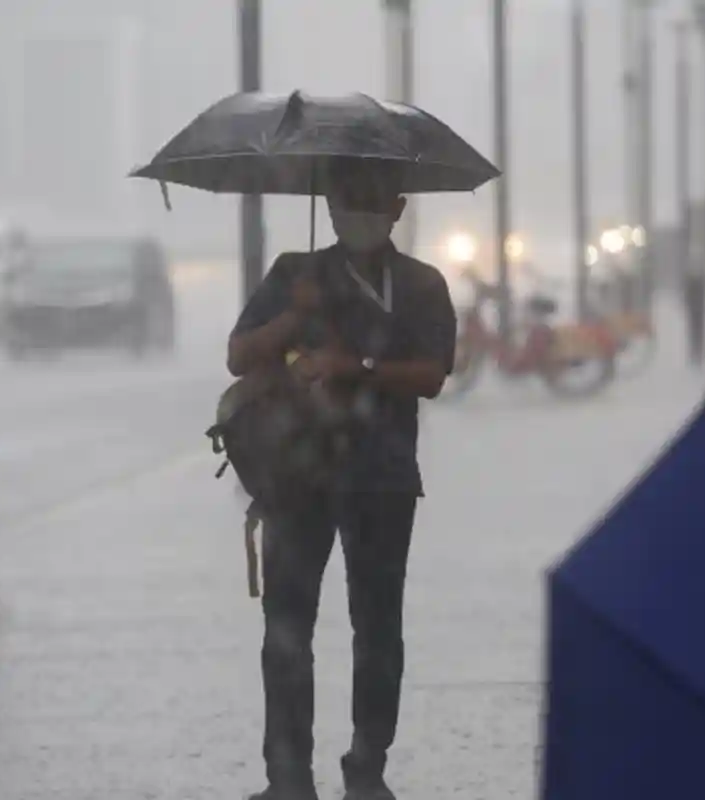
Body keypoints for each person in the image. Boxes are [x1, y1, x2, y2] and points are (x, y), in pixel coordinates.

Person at [227, 159, 457, 800]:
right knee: (286, 630)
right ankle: (288, 778)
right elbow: (239, 355)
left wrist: (352, 366)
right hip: (296, 477)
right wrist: (290, 319)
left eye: (371, 201)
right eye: (345, 200)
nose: (357, 212)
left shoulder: (421, 285)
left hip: (383, 479)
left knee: (378, 628)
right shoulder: (295, 276)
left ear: (398, 209)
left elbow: (432, 375)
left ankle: (367, 767)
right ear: (327, 204)